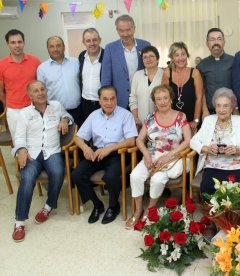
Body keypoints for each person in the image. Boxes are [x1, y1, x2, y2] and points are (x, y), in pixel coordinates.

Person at [11, 80, 73, 242]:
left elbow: (68, 115)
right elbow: (18, 136)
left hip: (52, 151)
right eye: (36, 91)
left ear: (46, 91)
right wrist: (21, 149)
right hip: (32, 153)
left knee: (59, 172)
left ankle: (48, 206)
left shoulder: (56, 106)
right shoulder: (24, 113)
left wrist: (65, 120)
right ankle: (19, 222)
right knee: (28, 178)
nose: (40, 93)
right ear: (30, 95)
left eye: (42, 89)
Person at [126, 84, 191, 229]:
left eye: (165, 98)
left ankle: (150, 211)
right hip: (151, 156)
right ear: (154, 102)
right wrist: (146, 154)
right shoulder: (150, 117)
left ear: (171, 99)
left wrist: (170, 155)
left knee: (157, 179)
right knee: (134, 176)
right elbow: (139, 140)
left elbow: (187, 140)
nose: (162, 102)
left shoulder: (181, 116)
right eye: (158, 99)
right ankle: (137, 210)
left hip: (171, 158)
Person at [71, 85, 137, 224]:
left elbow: (131, 141)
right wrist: (84, 148)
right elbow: (78, 137)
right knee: (76, 174)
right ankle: (97, 204)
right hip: (96, 152)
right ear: (99, 101)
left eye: (112, 99)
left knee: (110, 176)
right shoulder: (94, 115)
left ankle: (113, 206)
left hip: (117, 153)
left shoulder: (125, 114)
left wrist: (110, 149)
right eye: (105, 99)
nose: (109, 102)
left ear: (116, 99)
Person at [190, 88, 240, 197]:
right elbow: (193, 141)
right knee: (208, 188)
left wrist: (238, 150)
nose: (221, 109)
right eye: (218, 105)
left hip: (236, 166)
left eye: (225, 106)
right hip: (212, 165)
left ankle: (232, 214)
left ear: (232, 107)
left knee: (236, 194)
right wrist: (207, 148)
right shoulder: (208, 120)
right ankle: (212, 213)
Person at [101, 14, 151, 109]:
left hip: (142, 98)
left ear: (134, 29)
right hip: (119, 100)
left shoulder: (145, 45)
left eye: (128, 30)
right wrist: (106, 101)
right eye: (121, 30)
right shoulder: (110, 48)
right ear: (117, 30)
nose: (125, 34)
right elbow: (106, 78)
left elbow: (152, 70)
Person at [0, 29, 41, 141]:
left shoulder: (35, 61)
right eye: (13, 42)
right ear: (8, 44)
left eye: (19, 42)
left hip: (34, 108)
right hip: (14, 112)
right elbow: (0, 91)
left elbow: (41, 86)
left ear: (24, 43)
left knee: (37, 141)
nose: (17, 45)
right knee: (19, 143)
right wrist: (10, 103)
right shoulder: (1, 65)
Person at [37, 36, 82, 125]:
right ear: (47, 48)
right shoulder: (42, 69)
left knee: (79, 137)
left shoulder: (76, 63)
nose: (55, 49)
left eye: (58, 45)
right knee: (60, 139)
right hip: (55, 114)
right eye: (52, 46)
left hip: (78, 112)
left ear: (64, 47)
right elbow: (41, 93)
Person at [162, 42, 203, 132]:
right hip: (171, 122)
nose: (180, 58)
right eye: (176, 55)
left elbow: (199, 98)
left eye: (183, 54)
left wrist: (196, 120)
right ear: (172, 58)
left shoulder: (195, 73)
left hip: (191, 121)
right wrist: (164, 119)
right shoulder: (167, 72)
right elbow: (163, 98)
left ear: (187, 55)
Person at [197, 28, 234, 116]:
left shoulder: (234, 61)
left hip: (230, 111)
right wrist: (204, 110)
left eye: (219, 39)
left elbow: (238, 87)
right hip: (209, 112)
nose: (216, 42)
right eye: (212, 39)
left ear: (224, 42)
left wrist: (236, 109)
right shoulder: (201, 65)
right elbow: (201, 90)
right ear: (207, 43)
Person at [129, 46, 163, 129]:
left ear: (158, 59)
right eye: (145, 57)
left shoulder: (164, 74)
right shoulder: (137, 75)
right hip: (140, 122)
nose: (148, 59)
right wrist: (135, 118)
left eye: (151, 56)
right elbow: (133, 98)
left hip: (160, 122)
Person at [79, 28, 104, 124]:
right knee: (89, 132)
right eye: (88, 41)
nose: (92, 43)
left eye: (94, 40)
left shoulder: (107, 56)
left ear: (99, 40)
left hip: (103, 103)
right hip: (85, 103)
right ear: (83, 42)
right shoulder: (81, 56)